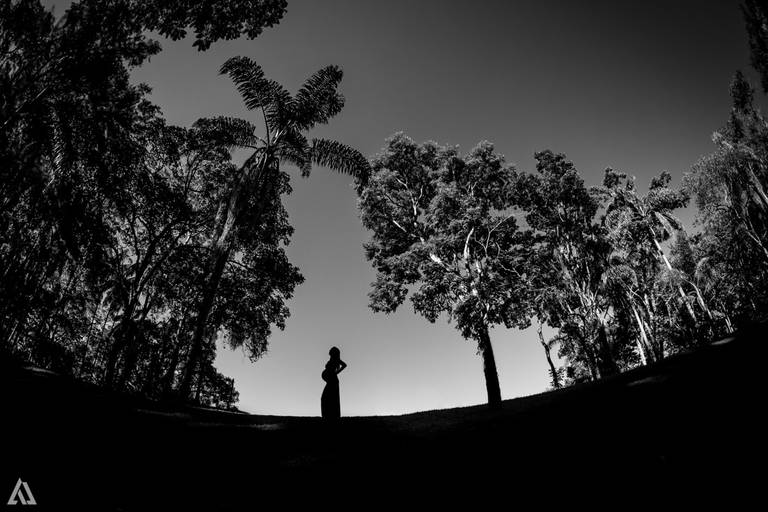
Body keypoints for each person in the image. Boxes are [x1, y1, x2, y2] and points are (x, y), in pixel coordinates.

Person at [321, 346, 347, 420]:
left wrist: (336, 373)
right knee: (327, 398)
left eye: (331, 351)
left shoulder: (336, 359)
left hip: (333, 381)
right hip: (331, 380)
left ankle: (331, 416)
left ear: (333, 353)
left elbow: (345, 365)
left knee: (328, 398)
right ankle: (328, 416)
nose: (329, 351)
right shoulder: (332, 359)